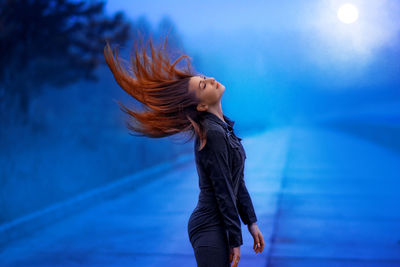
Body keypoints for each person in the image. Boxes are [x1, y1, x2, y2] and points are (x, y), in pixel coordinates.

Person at [103, 32, 265, 267]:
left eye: (204, 77)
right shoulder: (213, 133)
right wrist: (235, 238)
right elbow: (222, 188)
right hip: (209, 227)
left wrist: (251, 222)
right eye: (203, 84)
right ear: (201, 104)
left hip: (217, 225)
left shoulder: (224, 129)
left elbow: (236, 183)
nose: (210, 79)